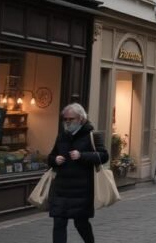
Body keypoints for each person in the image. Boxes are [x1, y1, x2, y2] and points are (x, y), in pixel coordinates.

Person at [47, 103, 109, 243]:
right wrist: (55, 159)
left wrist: (82, 155)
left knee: (80, 223)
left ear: (81, 119)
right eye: (65, 119)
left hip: (82, 189)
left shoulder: (93, 135)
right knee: (59, 223)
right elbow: (51, 157)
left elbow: (104, 156)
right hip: (61, 188)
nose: (67, 122)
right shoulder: (62, 136)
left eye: (71, 119)